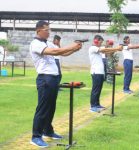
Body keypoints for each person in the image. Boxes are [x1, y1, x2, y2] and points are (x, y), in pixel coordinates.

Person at [29, 20, 82, 148]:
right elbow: (54, 52)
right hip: (44, 78)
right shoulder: (35, 43)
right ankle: (36, 136)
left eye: (49, 30)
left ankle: (48, 130)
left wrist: (75, 49)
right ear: (38, 30)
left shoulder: (48, 43)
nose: (49, 32)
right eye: (46, 30)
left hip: (53, 78)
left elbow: (62, 52)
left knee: (51, 107)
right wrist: (72, 46)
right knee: (43, 108)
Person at [89, 35, 123, 113]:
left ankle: (97, 104)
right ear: (96, 41)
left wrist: (116, 50)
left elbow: (107, 51)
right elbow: (104, 50)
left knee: (99, 89)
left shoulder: (99, 49)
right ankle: (92, 106)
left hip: (100, 72)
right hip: (96, 72)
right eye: (100, 42)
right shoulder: (92, 48)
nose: (101, 43)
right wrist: (117, 48)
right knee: (95, 90)